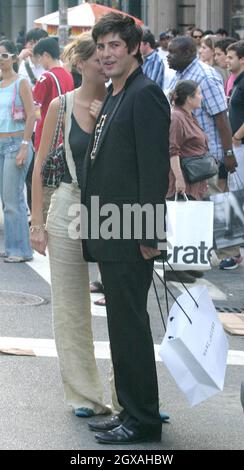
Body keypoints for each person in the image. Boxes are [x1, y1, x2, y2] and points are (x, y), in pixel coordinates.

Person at [81, 12, 170, 445]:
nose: (107, 53)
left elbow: (153, 171)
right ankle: (128, 411)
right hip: (110, 228)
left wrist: (151, 234)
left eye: (115, 45)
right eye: (101, 46)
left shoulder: (146, 94)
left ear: (134, 48)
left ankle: (143, 420)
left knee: (131, 327)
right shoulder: (118, 93)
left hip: (133, 232)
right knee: (120, 326)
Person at [30, 33, 111, 418]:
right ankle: (85, 395)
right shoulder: (61, 106)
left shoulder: (116, 102)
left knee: (127, 305)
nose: (106, 61)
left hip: (112, 212)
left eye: (111, 54)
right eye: (99, 56)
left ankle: (135, 396)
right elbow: (41, 166)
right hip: (67, 205)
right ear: (81, 64)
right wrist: (37, 222)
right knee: (70, 307)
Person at [166, 80, 209, 283]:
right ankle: (174, 267)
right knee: (180, 221)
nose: (201, 97)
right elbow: (172, 150)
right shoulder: (176, 117)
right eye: (198, 94)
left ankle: (185, 263)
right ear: (189, 98)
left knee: (189, 221)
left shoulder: (190, 116)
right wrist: (179, 179)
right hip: (183, 177)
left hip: (195, 179)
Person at [0, 40, 35, 262]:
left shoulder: (21, 82)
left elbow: (32, 114)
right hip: (2, 145)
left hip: (16, 143)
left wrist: (24, 145)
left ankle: (21, 250)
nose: (1, 60)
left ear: (14, 58)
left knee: (13, 200)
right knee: (6, 200)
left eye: (4, 55)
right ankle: (12, 245)